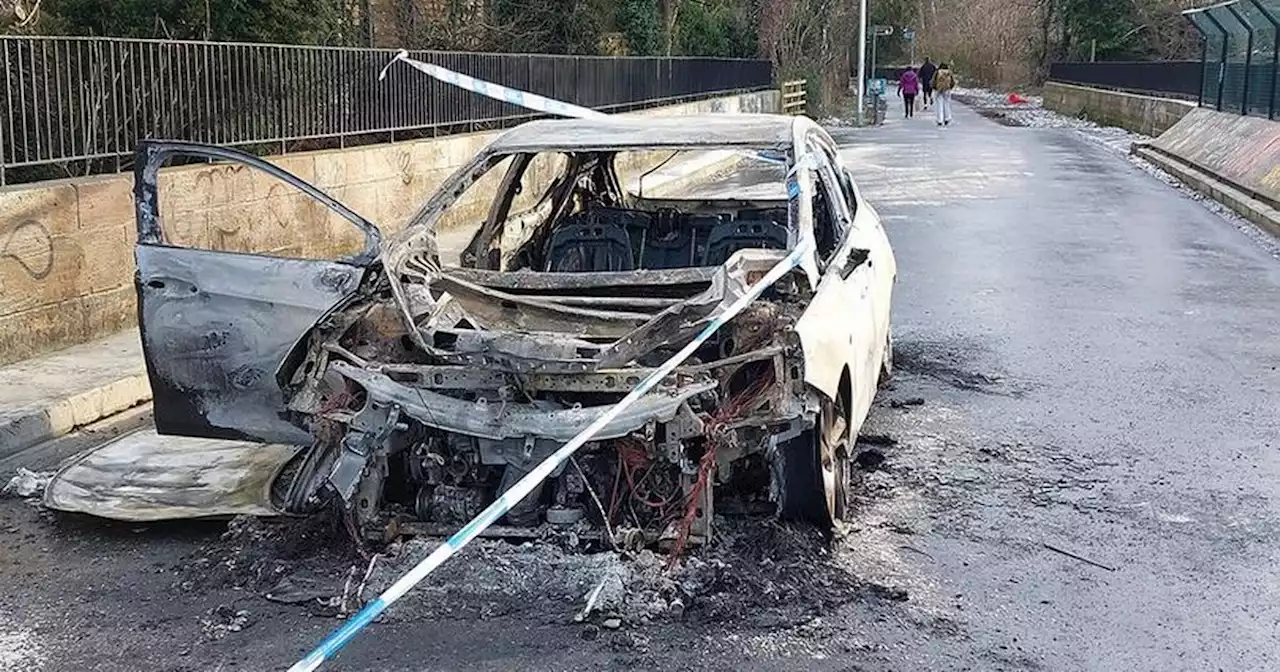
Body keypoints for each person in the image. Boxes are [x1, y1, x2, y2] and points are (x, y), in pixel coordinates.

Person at [932, 62, 956, 126]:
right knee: (946, 104)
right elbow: (953, 82)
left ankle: (939, 119)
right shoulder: (949, 73)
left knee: (939, 105)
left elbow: (933, 81)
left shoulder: (937, 72)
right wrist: (950, 87)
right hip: (947, 89)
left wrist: (934, 87)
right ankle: (947, 118)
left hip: (939, 89)